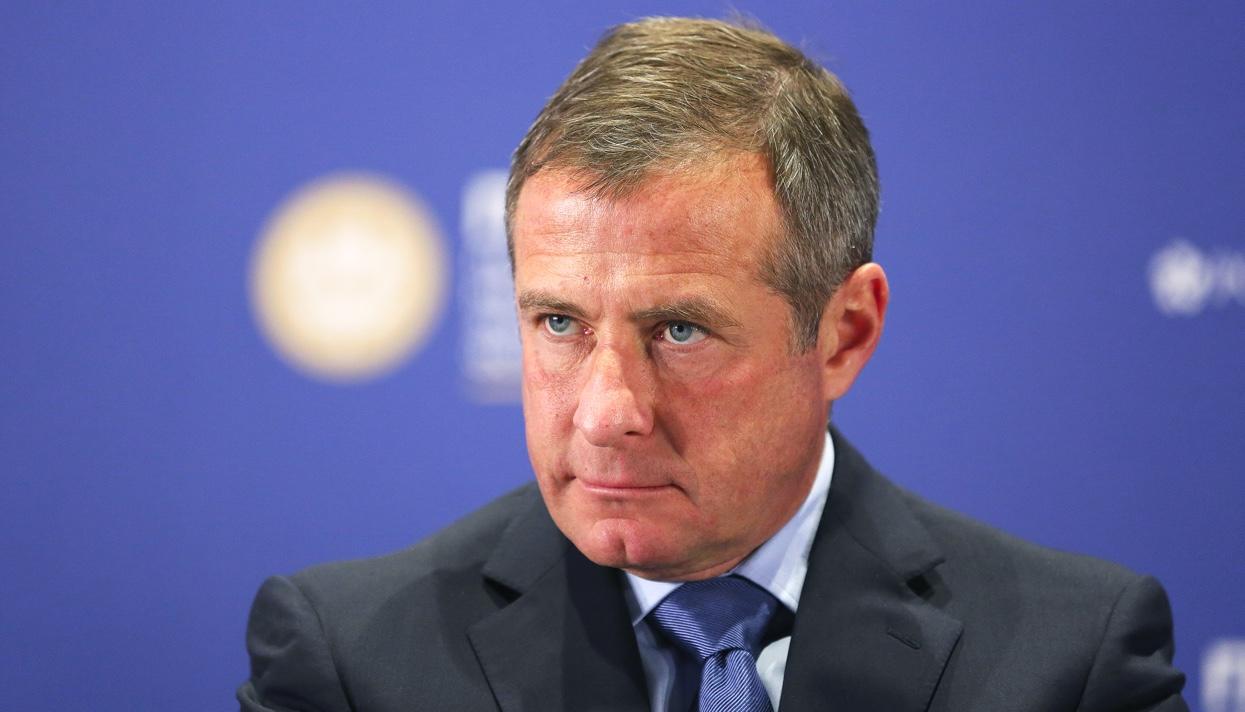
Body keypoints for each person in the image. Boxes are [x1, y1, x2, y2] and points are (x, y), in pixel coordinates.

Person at [238, 17, 1188, 712]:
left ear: (844, 332)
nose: (606, 412)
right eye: (560, 322)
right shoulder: (351, 663)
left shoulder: (1072, 664)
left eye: (678, 332)